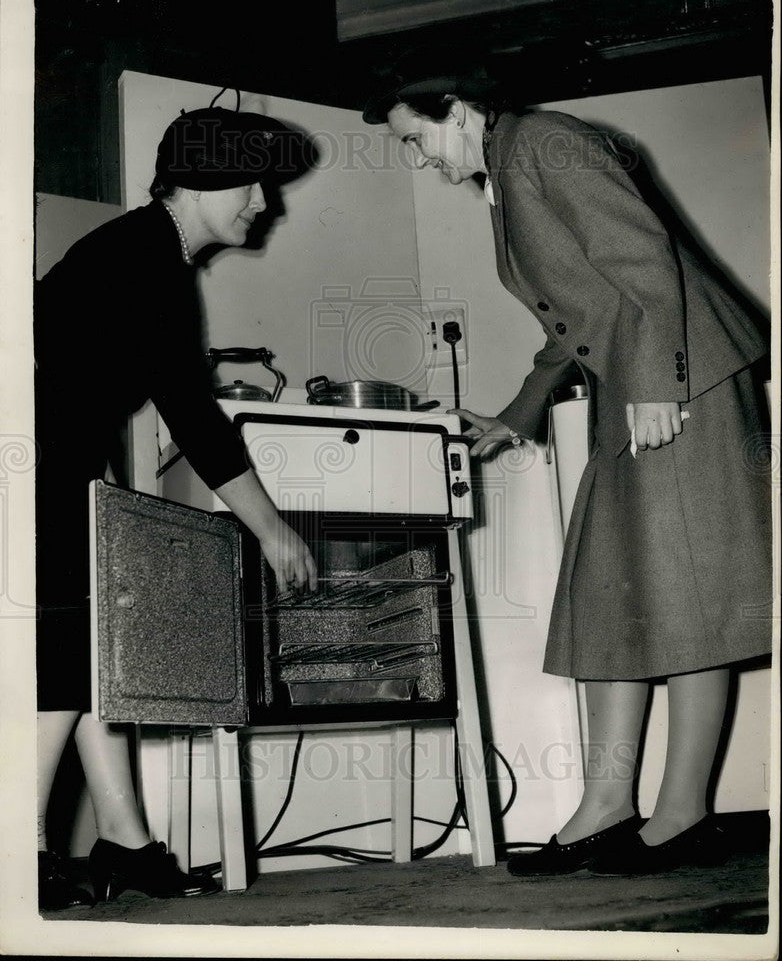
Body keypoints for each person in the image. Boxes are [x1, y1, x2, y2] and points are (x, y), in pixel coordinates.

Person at [363, 60, 772, 876]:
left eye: (416, 140)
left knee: (688, 596)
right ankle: (606, 808)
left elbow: (642, 258)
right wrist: (517, 419)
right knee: (619, 593)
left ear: (460, 107)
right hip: (641, 380)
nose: (420, 160)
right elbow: (578, 315)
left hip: (681, 379)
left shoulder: (546, 143)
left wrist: (656, 385)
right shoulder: (508, 168)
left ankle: (682, 811)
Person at [35, 103, 317, 908]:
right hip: (34, 468)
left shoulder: (147, 251)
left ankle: (127, 844)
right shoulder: (142, 257)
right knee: (61, 669)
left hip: (56, 467)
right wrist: (270, 529)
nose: (264, 201)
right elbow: (192, 413)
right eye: (249, 183)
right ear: (192, 183)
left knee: (90, 661)